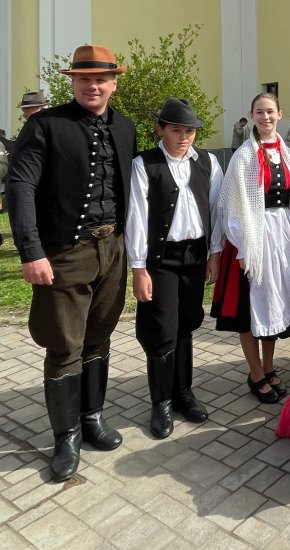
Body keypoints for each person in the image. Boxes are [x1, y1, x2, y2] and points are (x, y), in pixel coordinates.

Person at [7, 44, 136, 482]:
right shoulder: (45, 126)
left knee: (100, 336)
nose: (93, 85)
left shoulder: (126, 126)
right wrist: (32, 251)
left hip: (112, 248)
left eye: (101, 78)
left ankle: (92, 417)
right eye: (84, 78)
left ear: (114, 83)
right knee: (66, 345)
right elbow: (20, 186)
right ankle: (65, 436)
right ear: (73, 82)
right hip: (64, 252)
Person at [126, 99, 223, 439]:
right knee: (161, 329)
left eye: (190, 131)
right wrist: (138, 267)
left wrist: (214, 253)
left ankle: (184, 393)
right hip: (161, 261)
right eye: (177, 130)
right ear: (161, 129)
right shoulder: (145, 164)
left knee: (186, 325)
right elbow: (136, 216)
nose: (184, 137)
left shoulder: (208, 162)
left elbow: (216, 211)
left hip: (195, 256)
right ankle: (161, 402)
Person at [211, 92, 290, 403]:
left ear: (280, 114)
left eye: (270, 112)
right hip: (253, 237)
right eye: (259, 112)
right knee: (250, 309)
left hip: (283, 236)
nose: (265, 117)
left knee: (274, 304)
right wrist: (242, 247)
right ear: (252, 116)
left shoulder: (287, 152)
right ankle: (255, 373)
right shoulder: (244, 156)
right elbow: (232, 207)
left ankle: (269, 365)